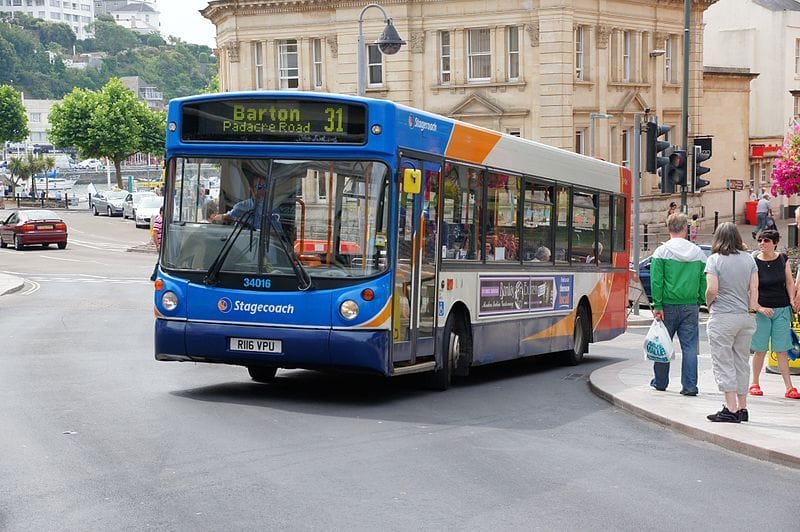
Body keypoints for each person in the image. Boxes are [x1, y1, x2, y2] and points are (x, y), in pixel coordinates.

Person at [704, 222, 759, 422]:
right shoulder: (749, 259)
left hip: (723, 317)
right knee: (741, 362)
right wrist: (752, 312)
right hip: (745, 317)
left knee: (724, 362)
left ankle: (731, 409)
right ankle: (743, 408)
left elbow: (712, 289)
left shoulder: (714, 260)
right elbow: (754, 289)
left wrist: (709, 304)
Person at [649, 213, 707, 395]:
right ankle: (690, 386)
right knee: (689, 347)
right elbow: (703, 280)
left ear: (668, 229)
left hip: (666, 305)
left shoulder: (661, 252)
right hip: (690, 305)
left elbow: (656, 281)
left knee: (663, 343)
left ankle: (660, 382)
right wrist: (700, 300)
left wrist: (657, 304)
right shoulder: (697, 252)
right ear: (685, 228)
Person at [747, 229, 800, 399]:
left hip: (782, 308)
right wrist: (759, 308)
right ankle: (754, 382)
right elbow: (751, 289)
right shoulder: (754, 262)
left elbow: (789, 281)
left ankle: (789, 387)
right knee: (760, 348)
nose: (762, 243)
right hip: (763, 310)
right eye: (760, 240)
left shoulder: (782, 259)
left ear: (774, 243)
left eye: (766, 241)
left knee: (782, 349)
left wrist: (792, 299)